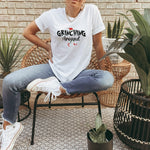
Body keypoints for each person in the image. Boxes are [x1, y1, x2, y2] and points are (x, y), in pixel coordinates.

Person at [1, 0, 114, 149]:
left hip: (80, 73)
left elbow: (98, 44)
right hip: (53, 70)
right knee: (9, 82)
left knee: (107, 79)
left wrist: (102, 68)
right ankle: (9, 127)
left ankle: (58, 88)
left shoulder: (92, 11)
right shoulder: (52, 16)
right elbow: (27, 32)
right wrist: (47, 47)